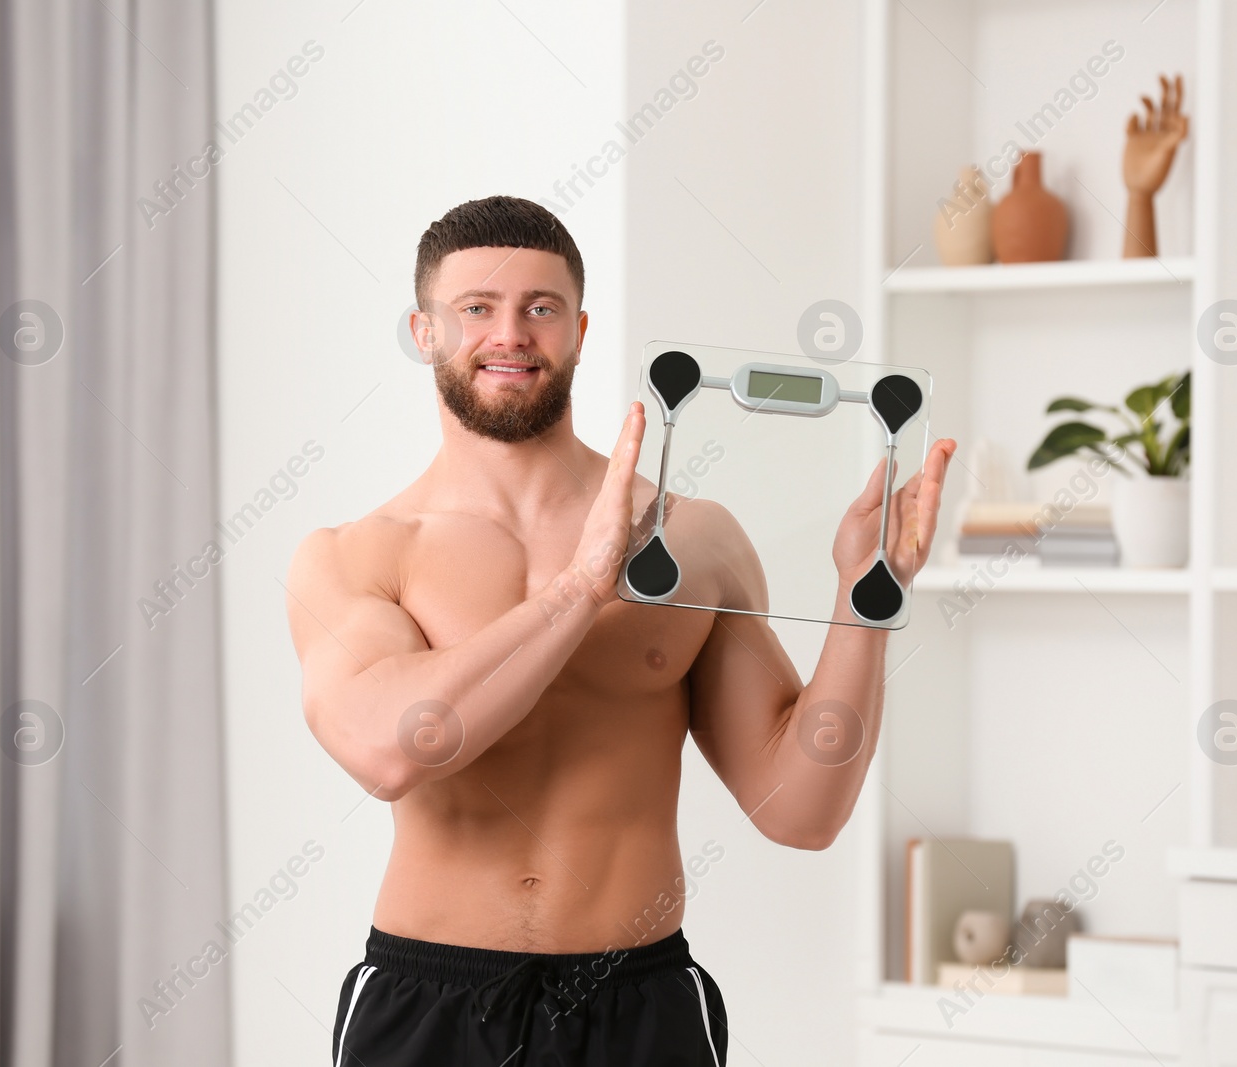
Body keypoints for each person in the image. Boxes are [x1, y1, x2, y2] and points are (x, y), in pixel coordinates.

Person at [286, 195, 956, 1066]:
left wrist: (866, 596)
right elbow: (394, 750)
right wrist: (581, 587)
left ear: (580, 327)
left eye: (540, 307)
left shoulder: (695, 539)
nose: (511, 334)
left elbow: (801, 810)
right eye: (476, 309)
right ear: (424, 331)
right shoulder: (356, 554)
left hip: (637, 1003)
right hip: (429, 1003)